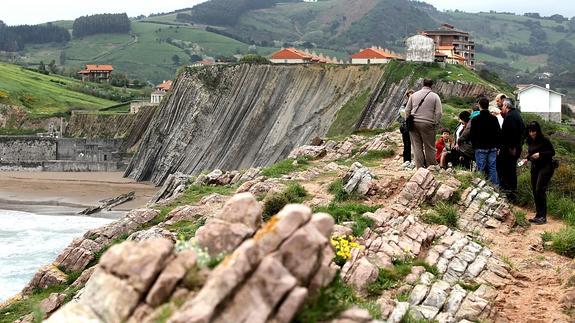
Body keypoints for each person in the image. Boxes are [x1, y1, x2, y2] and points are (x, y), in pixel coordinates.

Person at [405, 79, 443, 168]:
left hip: (413, 123)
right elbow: (439, 113)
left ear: (423, 84)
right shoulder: (435, 96)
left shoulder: (413, 95)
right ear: (431, 85)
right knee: (429, 147)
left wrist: (408, 121)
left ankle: (420, 168)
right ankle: (431, 167)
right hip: (427, 124)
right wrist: (435, 122)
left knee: (417, 146)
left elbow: (407, 110)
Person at [524, 121, 555, 224]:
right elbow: (531, 152)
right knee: (534, 191)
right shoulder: (529, 140)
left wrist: (540, 154)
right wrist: (526, 159)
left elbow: (552, 152)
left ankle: (543, 216)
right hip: (535, 167)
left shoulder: (544, 140)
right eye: (530, 131)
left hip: (546, 166)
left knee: (539, 189)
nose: (532, 133)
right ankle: (538, 215)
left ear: (537, 131)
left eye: (534, 131)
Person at [497, 98, 525, 202]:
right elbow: (522, 131)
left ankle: (509, 194)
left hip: (509, 150)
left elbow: (511, 134)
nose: (502, 108)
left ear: (506, 106)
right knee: (510, 170)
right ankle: (511, 192)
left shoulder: (510, 117)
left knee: (506, 170)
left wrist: (512, 147)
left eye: (503, 106)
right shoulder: (516, 114)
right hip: (514, 148)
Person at [470, 97, 502, 185]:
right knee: (492, 168)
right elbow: (498, 133)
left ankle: (481, 187)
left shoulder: (475, 119)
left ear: (479, 106)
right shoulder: (494, 118)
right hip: (492, 147)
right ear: (488, 105)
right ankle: (496, 187)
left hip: (480, 147)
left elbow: (472, 135)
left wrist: (474, 146)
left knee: (481, 168)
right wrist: (498, 146)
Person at [398, 90, 415, 166]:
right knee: (407, 144)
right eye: (409, 95)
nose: (411, 96)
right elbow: (400, 117)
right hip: (406, 127)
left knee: (417, 145)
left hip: (415, 127)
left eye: (412, 95)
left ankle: (418, 161)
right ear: (407, 96)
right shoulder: (403, 106)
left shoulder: (417, 105)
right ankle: (406, 161)